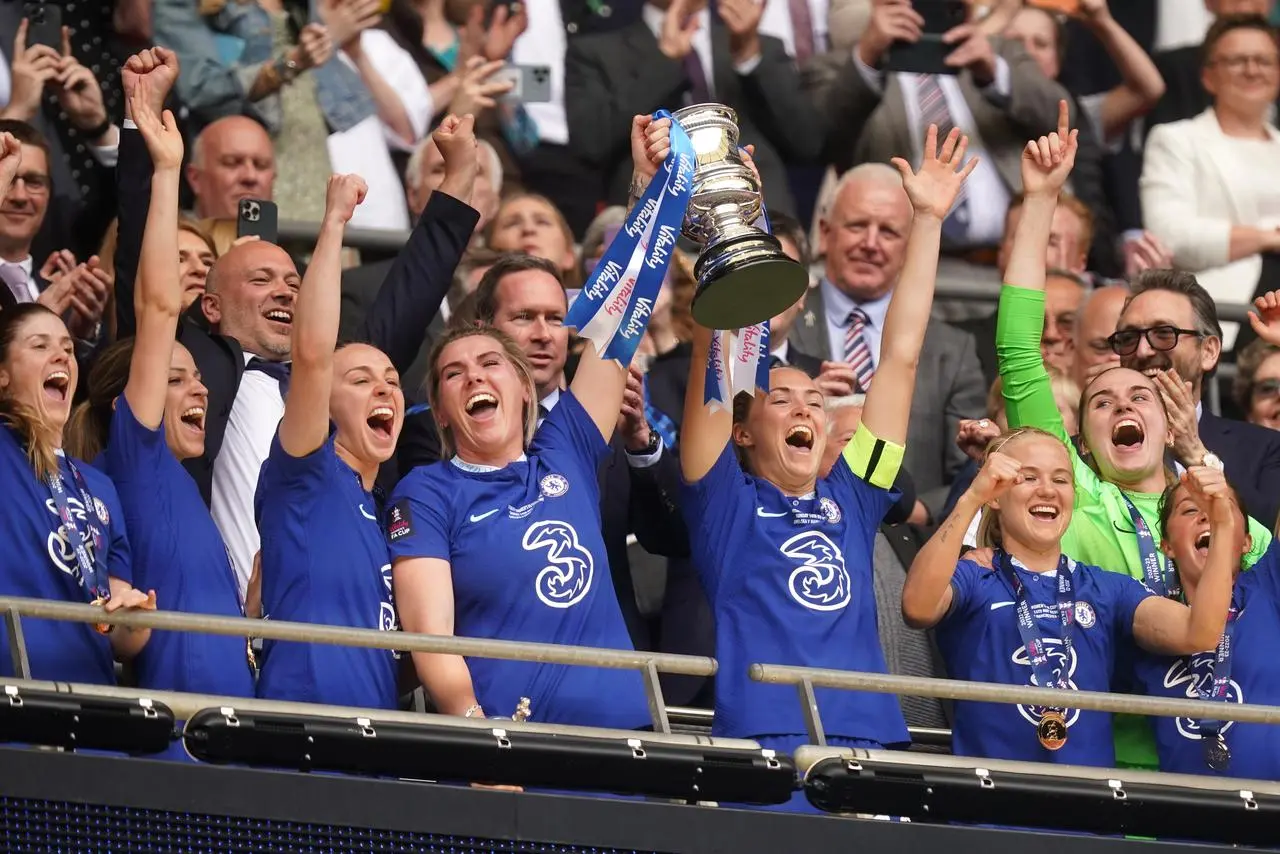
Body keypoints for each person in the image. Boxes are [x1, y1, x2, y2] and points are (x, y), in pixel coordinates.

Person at [679, 124, 975, 811]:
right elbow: (708, 370)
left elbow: (900, 357)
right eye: (781, 398)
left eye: (815, 397)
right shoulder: (723, 501)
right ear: (746, 432)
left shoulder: (859, 492)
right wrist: (732, 236)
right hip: (761, 750)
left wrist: (927, 220)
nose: (805, 406)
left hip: (869, 747)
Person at [110, 49, 480, 593]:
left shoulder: (330, 378)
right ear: (210, 307)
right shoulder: (186, 362)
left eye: (292, 282)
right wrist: (140, 119)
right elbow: (140, 263)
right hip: (209, 619)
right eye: (260, 280)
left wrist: (458, 180)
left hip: (329, 624)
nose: (285, 288)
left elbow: (410, 297)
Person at [996, 102, 1273, 769]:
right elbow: (1017, 350)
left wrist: (1196, 460)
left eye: (1140, 395)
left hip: (1227, 747)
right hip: (1111, 750)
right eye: (1106, 396)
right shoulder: (1075, 491)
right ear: (1081, 442)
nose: (1129, 388)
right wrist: (1039, 201)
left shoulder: (1219, 508)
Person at [386, 114, 678, 729]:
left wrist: (649, 193)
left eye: (492, 363)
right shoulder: (427, 491)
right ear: (439, 408)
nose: (475, 378)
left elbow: (619, 312)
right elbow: (430, 637)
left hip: (625, 736)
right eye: (454, 373)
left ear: (523, 386)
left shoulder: (566, 446)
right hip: (514, 744)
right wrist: (476, 733)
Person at [67, 88, 253, 728]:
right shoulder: (137, 461)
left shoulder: (181, 489)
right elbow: (154, 308)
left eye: (199, 377)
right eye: (175, 379)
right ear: (130, 405)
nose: (199, 389)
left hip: (238, 741)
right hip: (178, 740)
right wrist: (167, 168)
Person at [902, 432, 1237, 765]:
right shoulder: (976, 576)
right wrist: (971, 498)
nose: (1047, 490)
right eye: (1028, 477)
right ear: (996, 494)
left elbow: (1201, 633)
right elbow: (917, 607)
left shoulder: (1106, 588)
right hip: (991, 805)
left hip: (1089, 806)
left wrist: (1222, 525)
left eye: (1060, 480)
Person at [0, 129, 153, 681]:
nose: (60, 355)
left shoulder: (98, 484)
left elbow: (125, 636)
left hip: (90, 712)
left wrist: (132, 617)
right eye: (39, 346)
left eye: (67, 346)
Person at [255, 171, 401, 710]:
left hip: (375, 740)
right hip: (304, 731)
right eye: (360, 380)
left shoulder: (384, 509)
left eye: (391, 380)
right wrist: (335, 222)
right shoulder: (306, 471)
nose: (384, 388)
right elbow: (313, 354)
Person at [787, 161, 987, 522]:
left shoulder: (951, 350)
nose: (870, 243)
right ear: (824, 230)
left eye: (889, 232)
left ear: (910, 244)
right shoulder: (783, 320)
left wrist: (917, 510)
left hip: (910, 546)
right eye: (857, 225)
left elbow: (967, 467)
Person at [563, 0, 823, 218]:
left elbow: (807, 142)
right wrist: (663, 61)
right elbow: (590, 143)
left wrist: (747, 53)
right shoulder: (594, 52)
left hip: (755, 212)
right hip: (657, 224)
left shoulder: (757, 44)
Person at [1136, 471, 1280, 778]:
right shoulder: (1142, 616)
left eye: (1221, 507)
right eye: (1190, 509)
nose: (1208, 514)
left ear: (1247, 541)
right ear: (1166, 545)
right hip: (1188, 819)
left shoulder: (1270, 585)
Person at [1112, 269, 1280, 528]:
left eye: (1164, 333)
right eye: (1128, 338)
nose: (1143, 350)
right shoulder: (1088, 451)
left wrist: (1195, 453)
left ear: (1209, 351)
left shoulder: (1264, 448)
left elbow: (1270, 545)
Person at [1141, 14, 1280, 312]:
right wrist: (1268, 238)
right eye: (1237, 61)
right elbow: (1170, 236)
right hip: (1224, 306)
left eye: (1264, 61)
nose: (1252, 70)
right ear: (1208, 76)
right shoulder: (1176, 140)